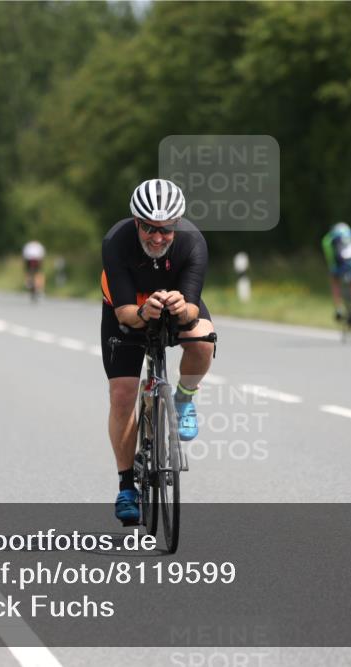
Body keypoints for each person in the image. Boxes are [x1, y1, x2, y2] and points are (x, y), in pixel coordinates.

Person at [101, 178, 216, 524]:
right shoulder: (116, 242)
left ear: (176, 225)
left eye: (165, 230)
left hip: (176, 299)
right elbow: (122, 312)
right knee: (122, 395)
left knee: (203, 338)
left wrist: (182, 308)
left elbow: (194, 310)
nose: (157, 237)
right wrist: (142, 312)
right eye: (149, 228)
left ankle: (183, 398)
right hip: (126, 308)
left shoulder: (193, 242)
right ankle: (125, 486)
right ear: (136, 223)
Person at [321, 222, 351, 324]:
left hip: (341, 264)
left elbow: (330, 255)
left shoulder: (330, 237)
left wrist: (332, 268)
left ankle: (339, 308)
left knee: (335, 282)